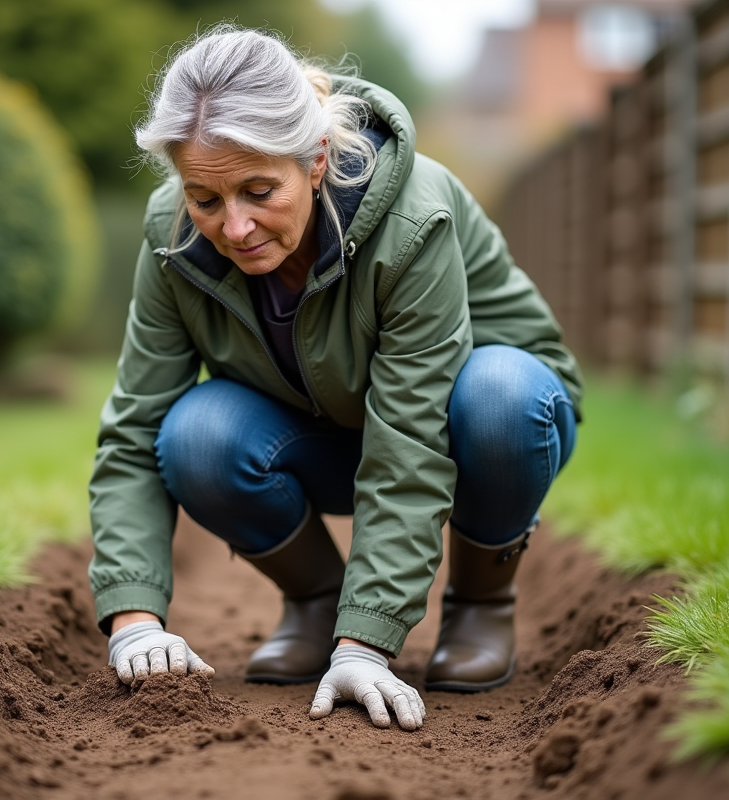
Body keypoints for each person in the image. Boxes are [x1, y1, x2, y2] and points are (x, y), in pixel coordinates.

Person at [88, 26, 582, 732]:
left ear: (316, 160)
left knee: (499, 399)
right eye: (204, 198)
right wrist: (133, 621)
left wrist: (368, 646)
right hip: (321, 426)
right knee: (196, 435)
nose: (234, 226)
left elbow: (413, 436)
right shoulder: (173, 238)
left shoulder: (413, 216)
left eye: (260, 190)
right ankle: (318, 603)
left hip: (477, 420)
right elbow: (134, 431)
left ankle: (480, 606)